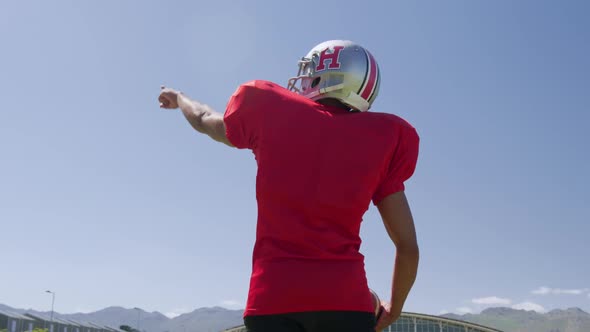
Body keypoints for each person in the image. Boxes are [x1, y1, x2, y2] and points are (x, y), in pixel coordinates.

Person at [158, 40, 420, 332]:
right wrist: (393, 309)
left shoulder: (269, 108)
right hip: (345, 301)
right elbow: (407, 247)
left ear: (325, 74)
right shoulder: (385, 139)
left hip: (271, 300)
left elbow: (204, 118)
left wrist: (180, 97)